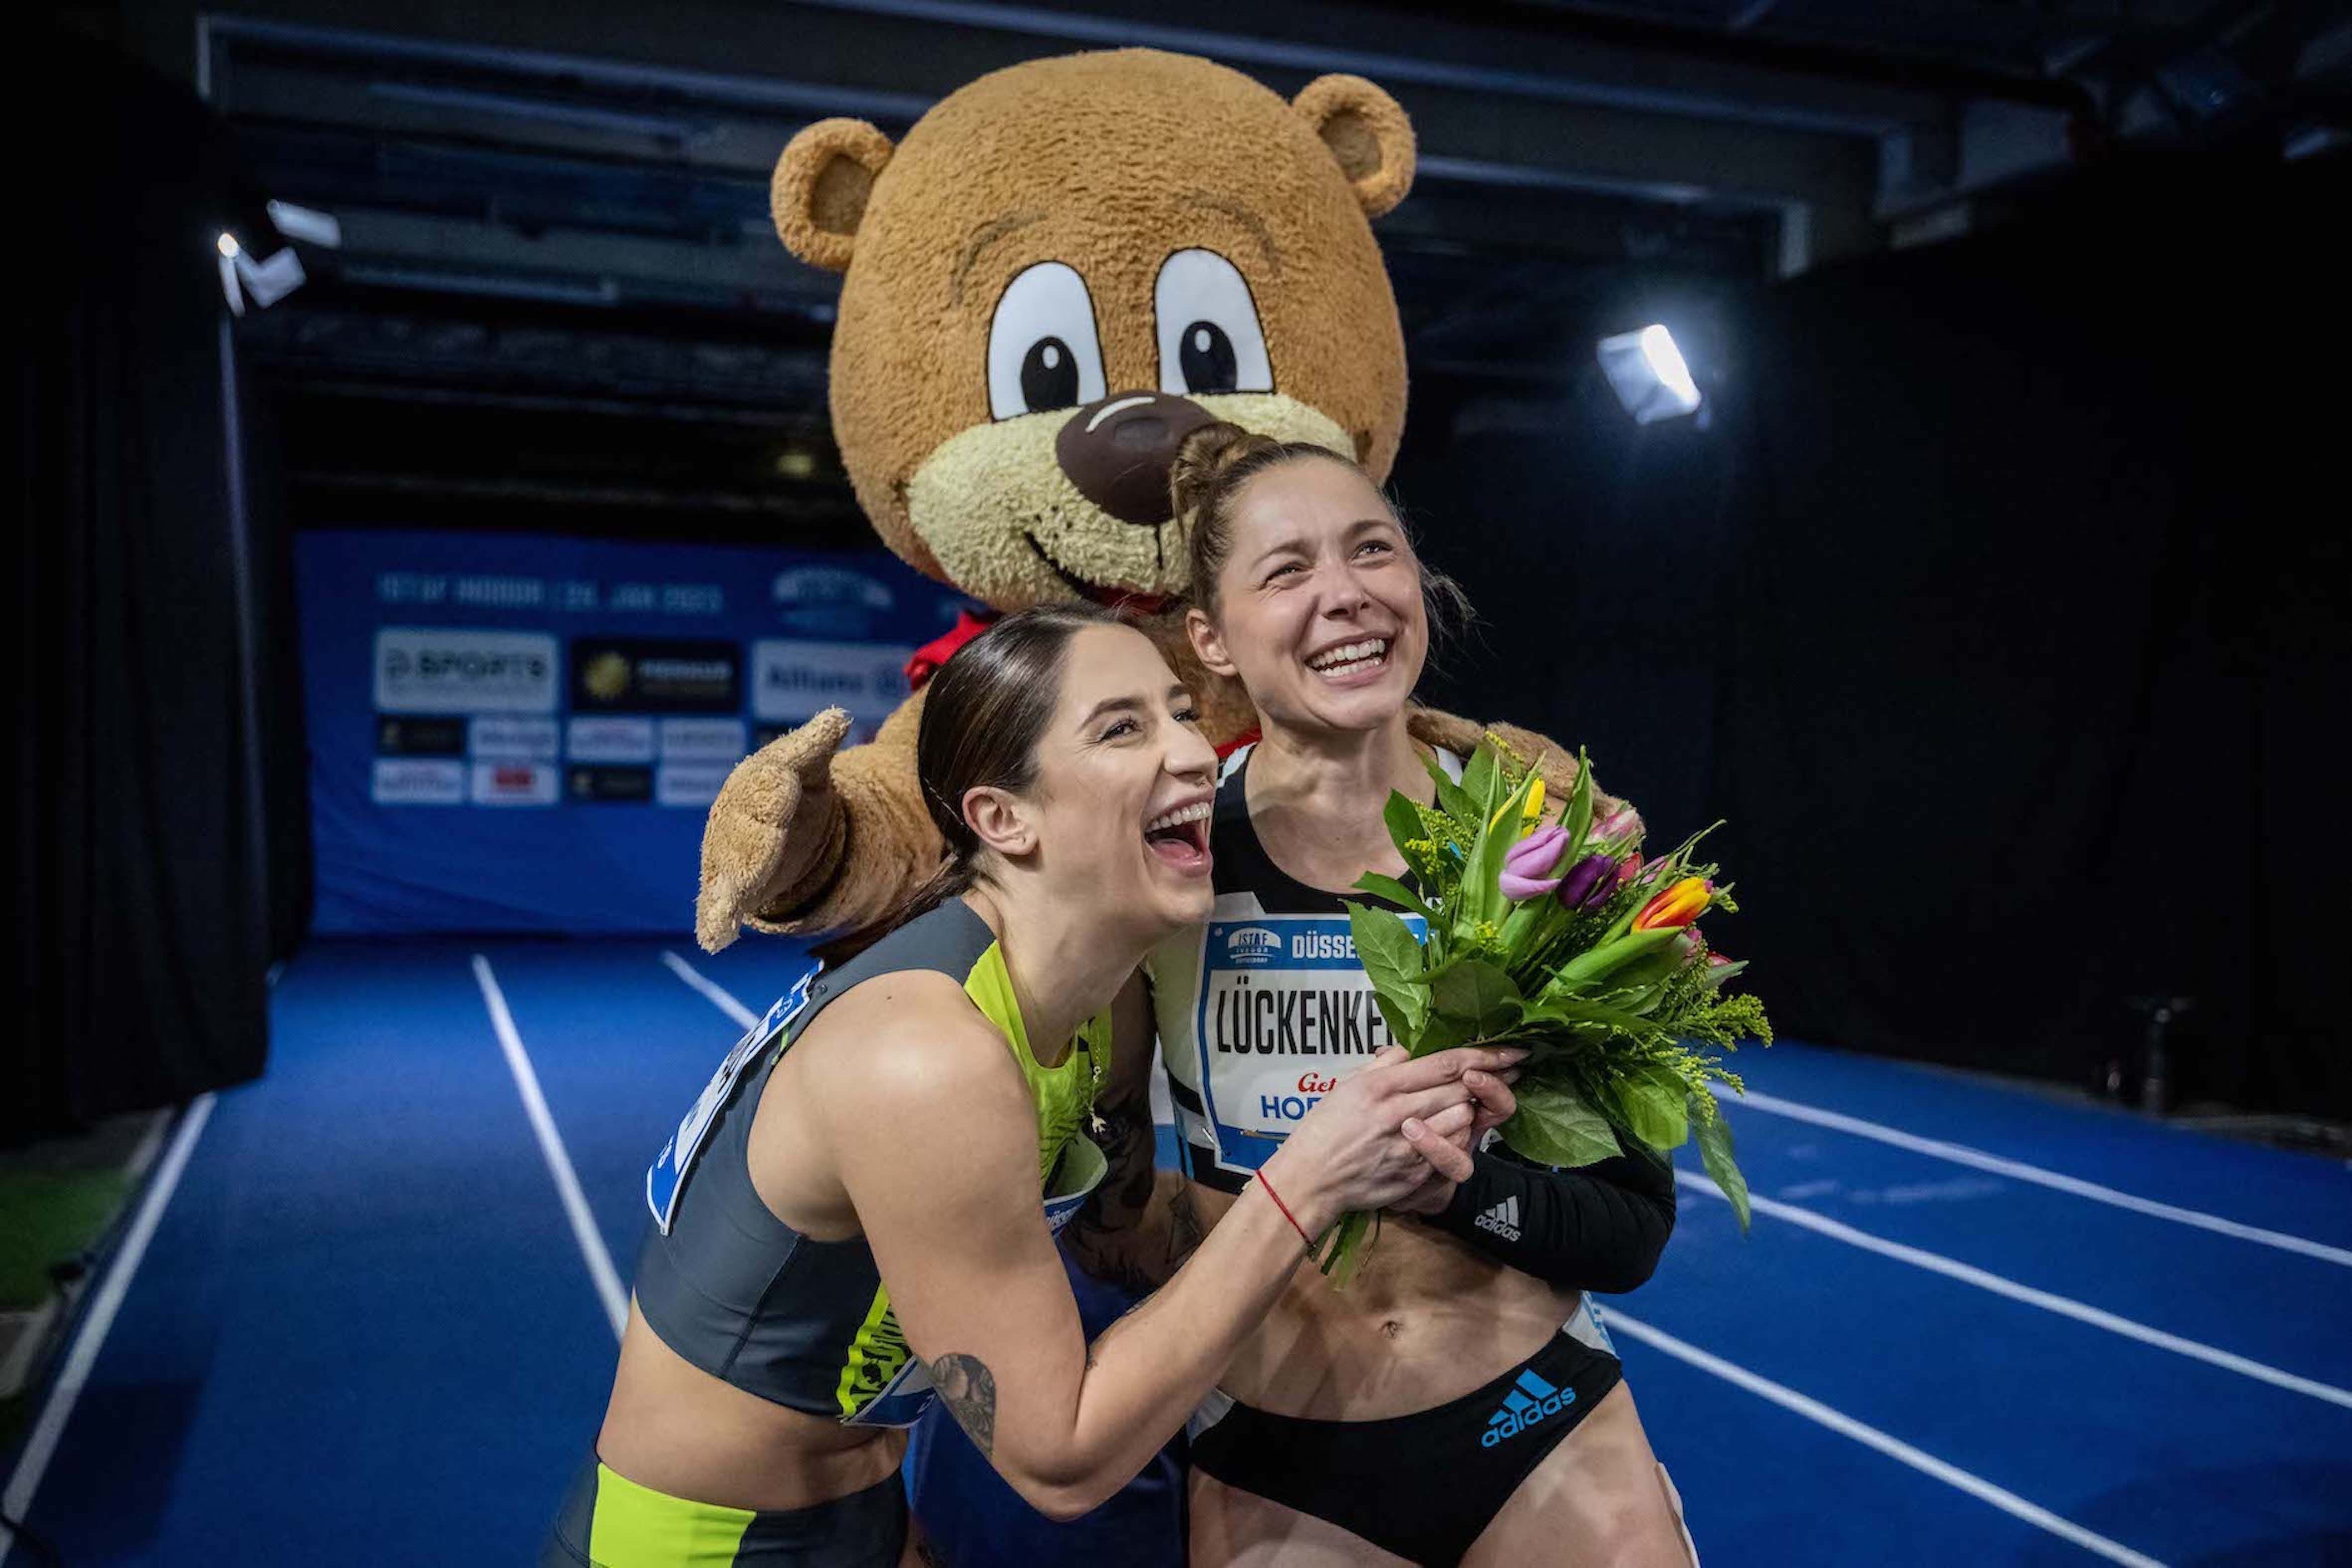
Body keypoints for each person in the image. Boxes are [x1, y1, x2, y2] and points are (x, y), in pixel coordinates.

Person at [549, 604, 1525, 1567]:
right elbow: (1058, 1462)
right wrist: (1308, 1178)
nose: (1191, 752)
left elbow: (1122, 1234)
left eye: (1182, 714)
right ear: (1001, 818)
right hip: (700, 1546)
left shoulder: (1063, 999)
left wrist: (1412, 1218)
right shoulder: (930, 1056)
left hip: (862, 1522)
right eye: (1122, 729)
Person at [1064, 427, 1695, 1567]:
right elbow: (1101, 1185)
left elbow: (1632, 1229)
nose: (1345, 596)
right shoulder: (1164, 865)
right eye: (1288, 569)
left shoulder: (1542, 843)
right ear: (1207, 637)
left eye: (1372, 552)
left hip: (1534, 1418)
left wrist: (1458, 1191)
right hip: (1276, 1451)